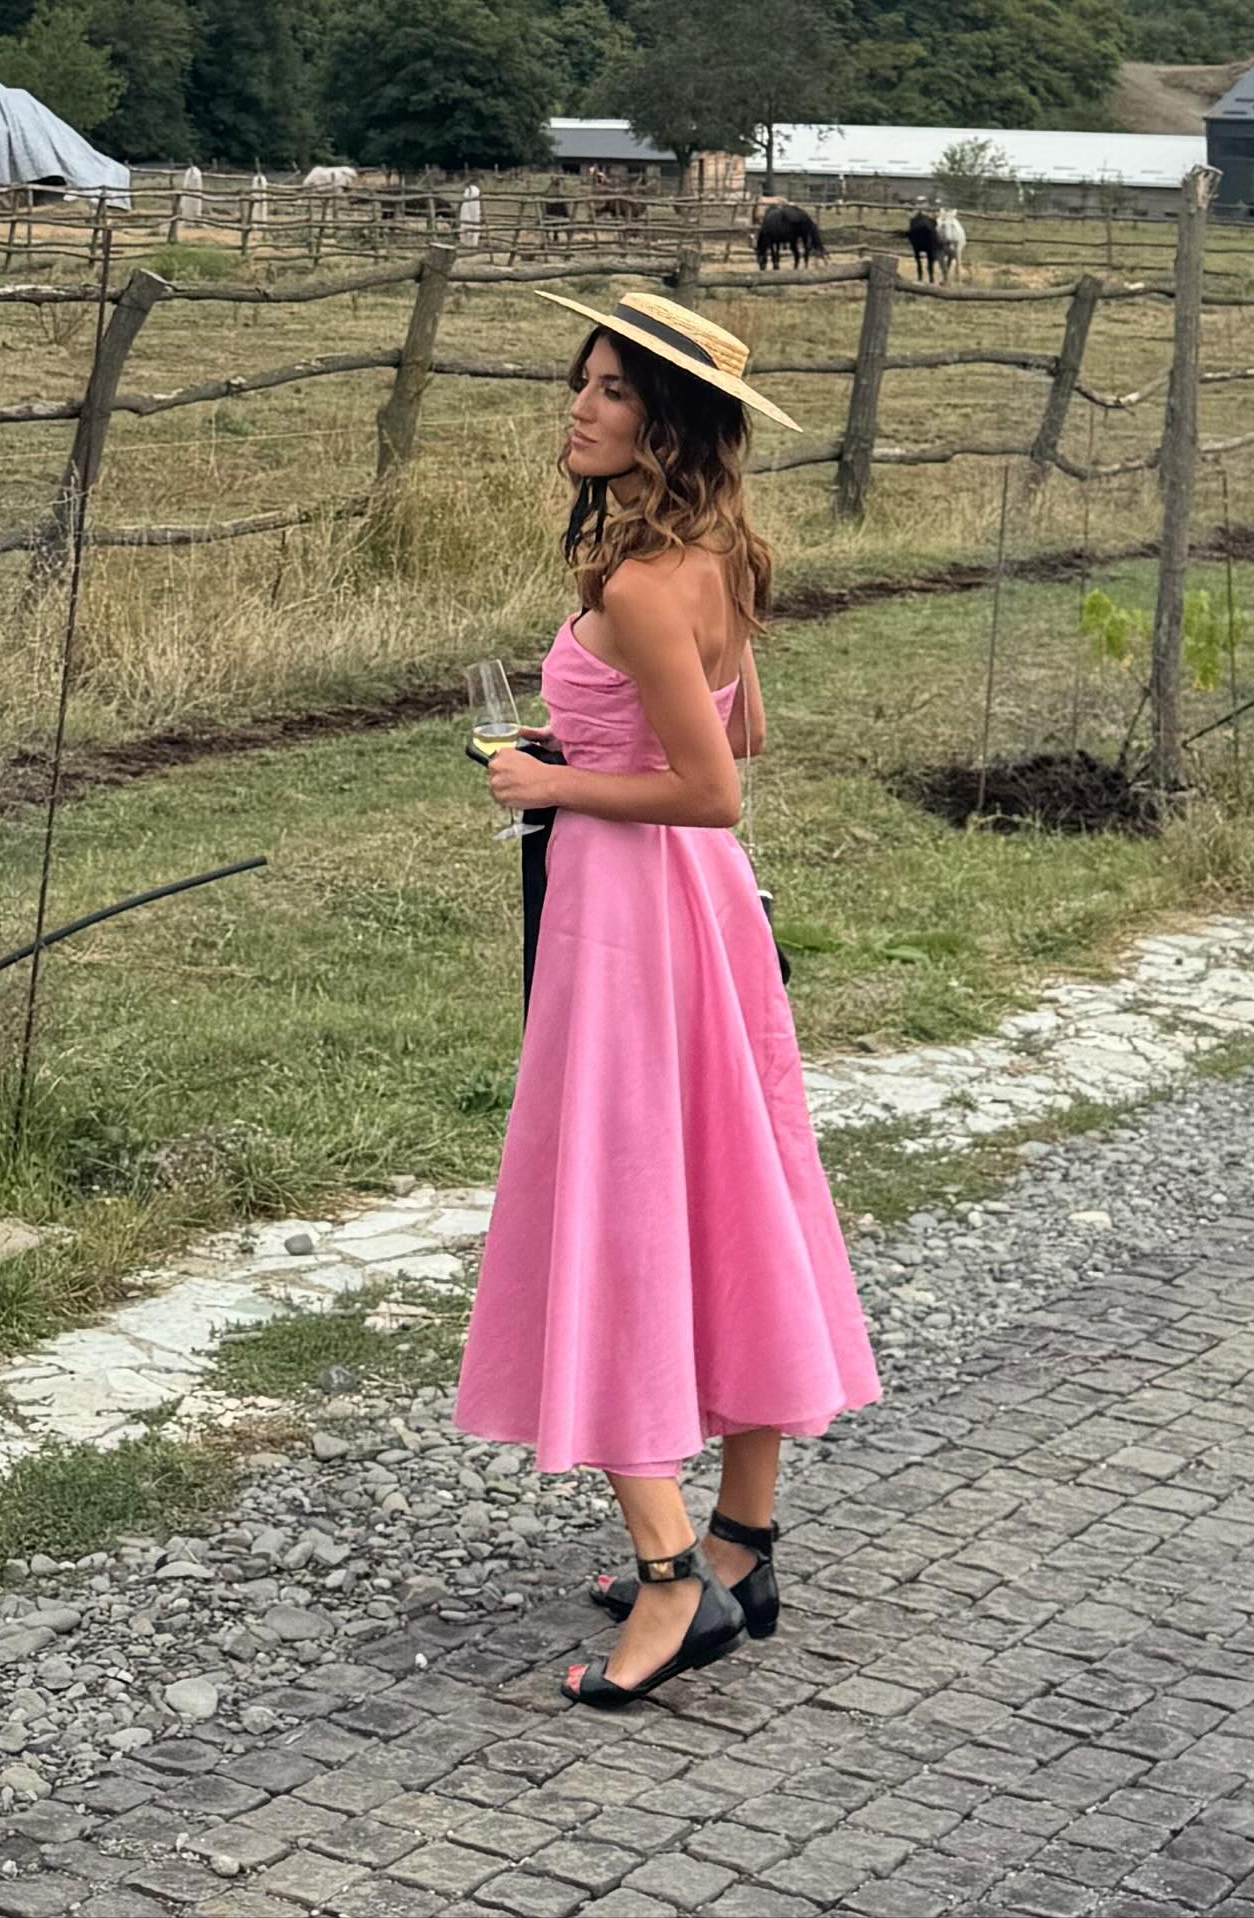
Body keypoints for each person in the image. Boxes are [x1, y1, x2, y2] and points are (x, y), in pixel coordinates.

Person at [453, 289, 883, 1708]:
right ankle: (746, 1541)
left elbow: (711, 785)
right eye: (581, 383)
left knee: (620, 1196)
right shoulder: (720, 556)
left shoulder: (641, 583)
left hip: (635, 916)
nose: (579, 408)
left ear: (668, 425)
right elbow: (736, 724)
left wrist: (550, 777)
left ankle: (672, 1577)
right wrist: (592, 733)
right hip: (707, 913)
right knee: (734, 1187)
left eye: (611, 391)